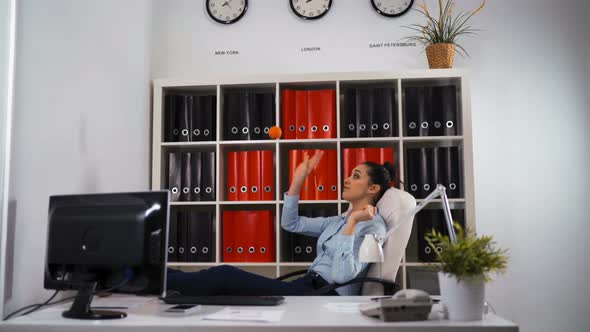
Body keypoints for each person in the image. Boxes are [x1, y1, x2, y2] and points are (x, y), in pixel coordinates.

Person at [166, 151, 393, 296]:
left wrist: (353, 222)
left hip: (325, 296)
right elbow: (291, 224)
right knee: (220, 288)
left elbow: (344, 276)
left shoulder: (373, 228)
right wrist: (297, 181)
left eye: (355, 176)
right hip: (306, 285)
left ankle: (157, 280)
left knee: (225, 276)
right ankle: (166, 283)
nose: (347, 179)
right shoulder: (337, 221)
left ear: (373, 188)